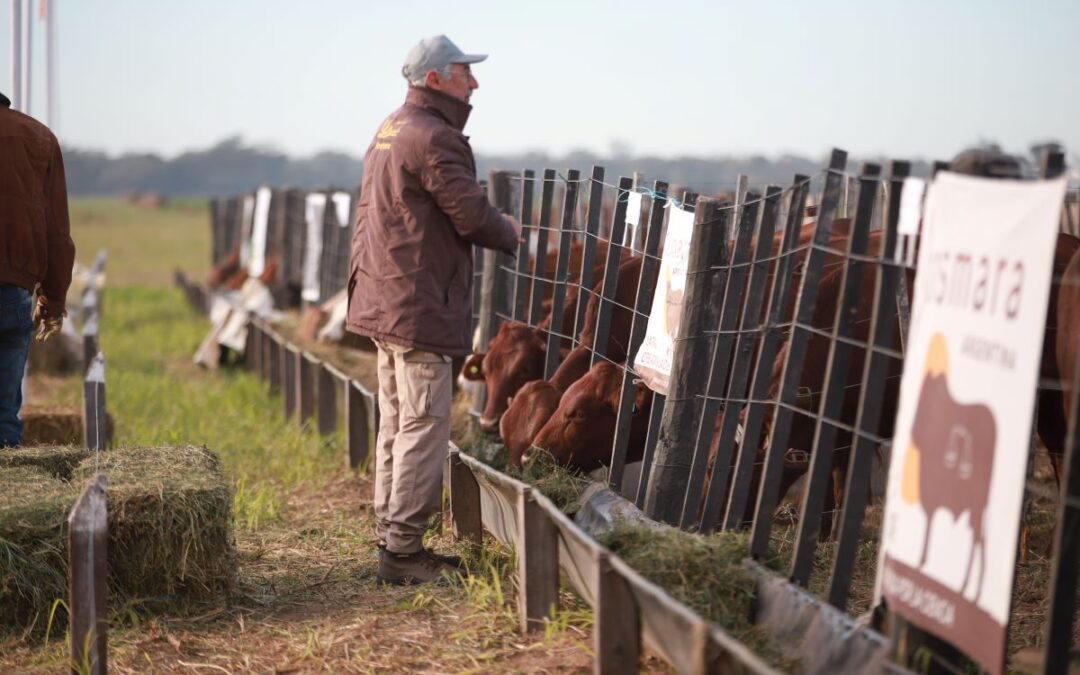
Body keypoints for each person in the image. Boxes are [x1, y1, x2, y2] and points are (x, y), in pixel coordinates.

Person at [347, 36, 521, 585]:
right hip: (417, 304)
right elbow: (470, 216)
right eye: (464, 71)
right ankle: (402, 551)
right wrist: (517, 234)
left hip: (384, 298)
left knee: (397, 419)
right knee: (424, 422)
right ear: (435, 79)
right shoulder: (436, 138)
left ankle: (390, 534)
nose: (475, 82)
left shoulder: (391, 128)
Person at [0, 91, 75, 448]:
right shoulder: (39, 137)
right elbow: (57, 231)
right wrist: (54, 299)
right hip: (12, 293)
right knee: (3, 418)